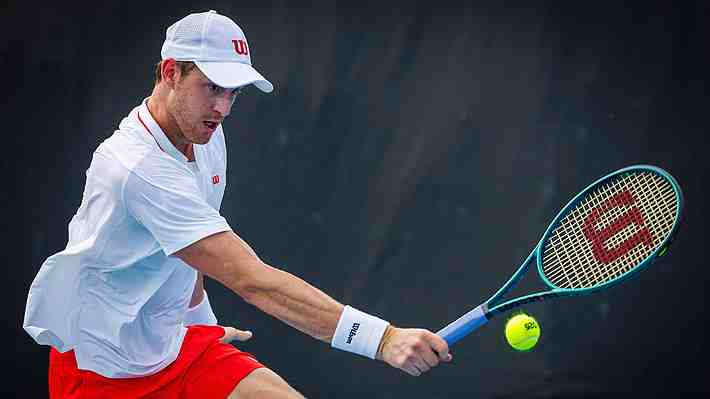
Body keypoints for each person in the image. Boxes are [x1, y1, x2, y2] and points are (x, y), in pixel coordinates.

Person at [23, 10, 451, 399]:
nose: (223, 108)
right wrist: (383, 338)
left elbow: (190, 259)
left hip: (174, 347)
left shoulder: (204, 135)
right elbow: (253, 281)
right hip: (100, 374)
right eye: (211, 88)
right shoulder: (138, 168)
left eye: (233, 93)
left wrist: (200, 326)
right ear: (171, 73)